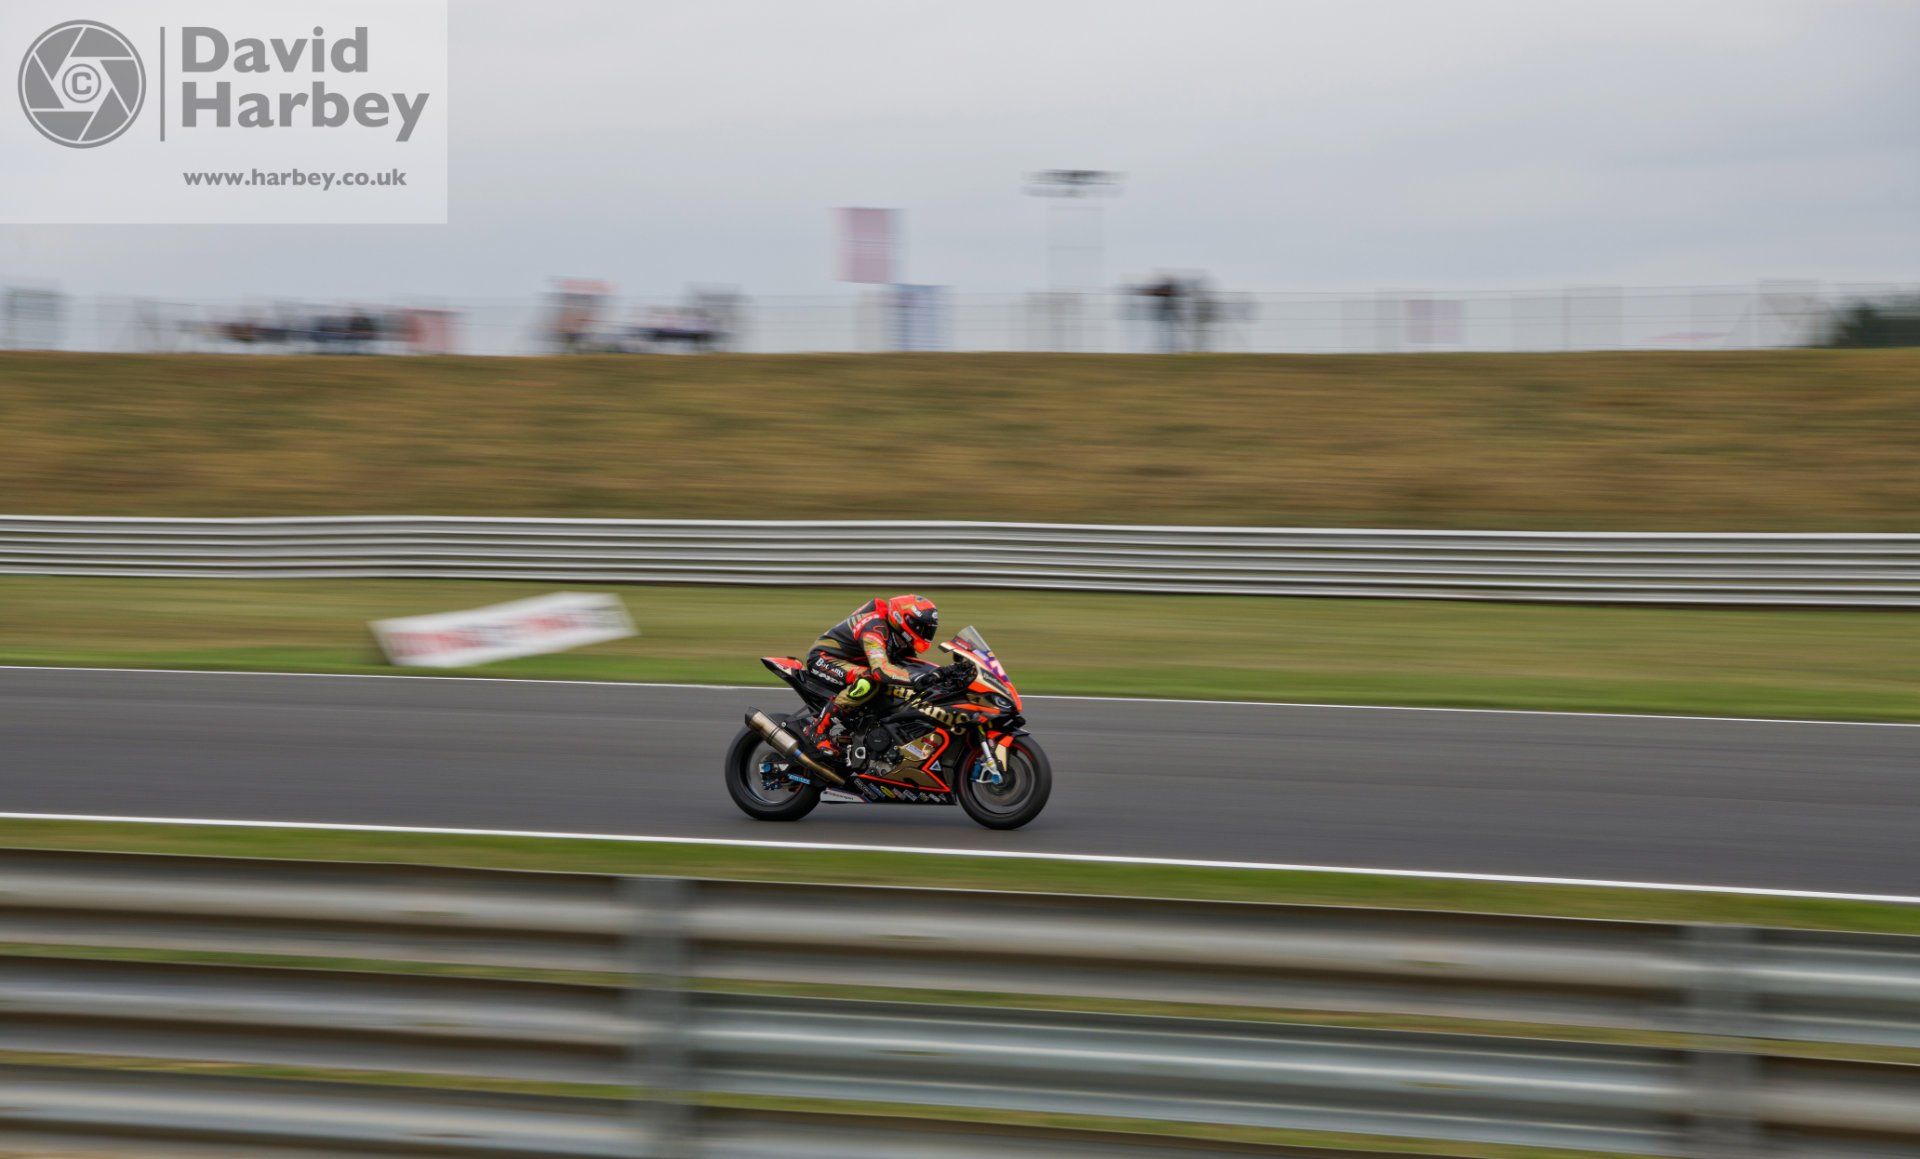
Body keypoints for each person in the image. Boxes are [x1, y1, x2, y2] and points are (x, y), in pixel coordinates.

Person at [804, 594, 941, 764]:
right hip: (824, 659)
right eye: (922, 628)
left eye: (930, 630)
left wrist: (940, 674)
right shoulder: (875, 627)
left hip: (855, 662)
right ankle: (818, 729)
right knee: (868, 681)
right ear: (905, 620)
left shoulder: (898, 634)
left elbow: (911, 666)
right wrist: (918, 678)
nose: (926, 634)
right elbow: (881, 671)